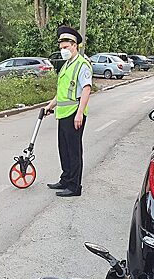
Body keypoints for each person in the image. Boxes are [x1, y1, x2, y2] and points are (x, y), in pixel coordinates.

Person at [44, 26, 92, 197]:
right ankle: (65, 179)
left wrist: (80, 113)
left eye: (66, 47)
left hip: (74, 114)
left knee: (74, 150)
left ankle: (74, 186)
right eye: (61, 47)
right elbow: (62, 92)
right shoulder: (66, 66)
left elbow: (86, 89)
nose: (63, 50)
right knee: (63, 149)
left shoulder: (82, 64)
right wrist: (50, 106)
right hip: (63, 114)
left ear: (75, 45)